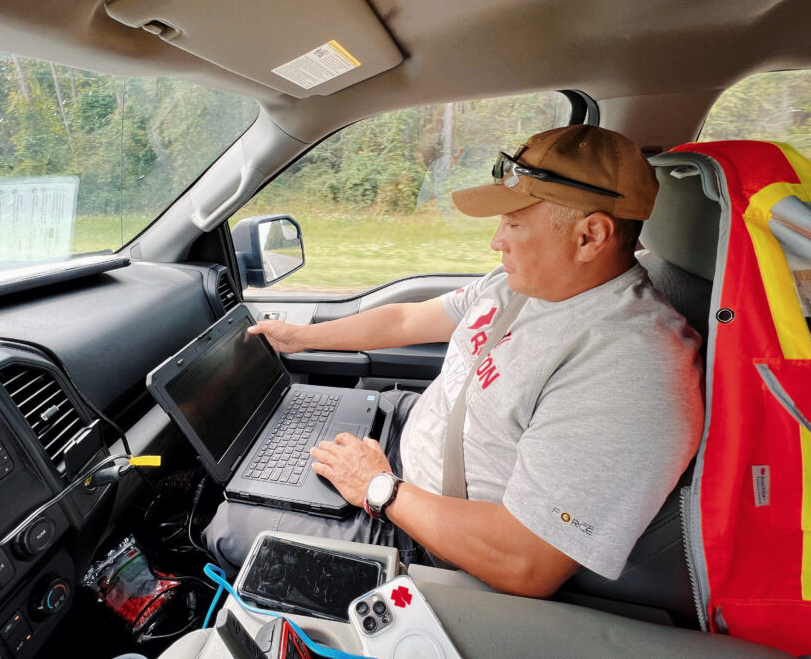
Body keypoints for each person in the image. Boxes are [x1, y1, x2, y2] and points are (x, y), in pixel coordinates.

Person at [204, 125, 703, 598]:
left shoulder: (630, 368)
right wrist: (301, 338)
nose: (496, 241)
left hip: (427, 535)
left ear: (590, 235)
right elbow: (408, 320)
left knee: (225, 527)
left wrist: (377, 486)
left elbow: (526, 562)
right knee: (273, 440)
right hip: (403, 442)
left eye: (514, 223)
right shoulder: (523, 283)